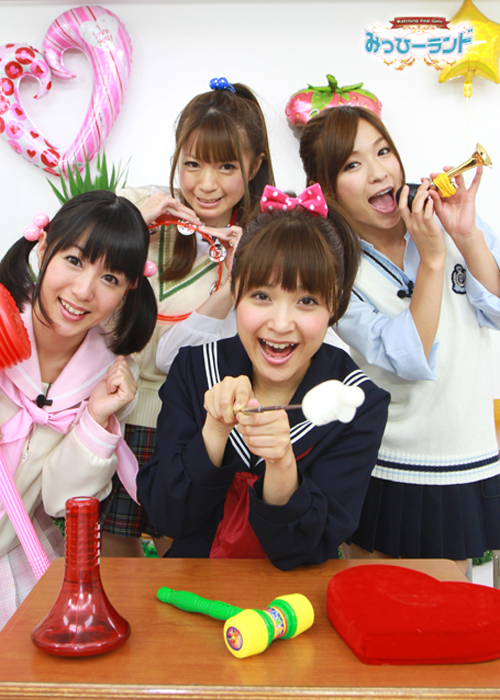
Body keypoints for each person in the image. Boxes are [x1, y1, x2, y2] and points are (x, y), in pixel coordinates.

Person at [137, 186, 390, 570]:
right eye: (261, 296)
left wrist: (282, 463)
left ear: (335, 302)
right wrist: (214, 431)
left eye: (307, 301)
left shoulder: (356, 402)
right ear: (236, 290)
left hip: (295, 599)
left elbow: (308, 547)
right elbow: (167, 517)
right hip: (193, 590)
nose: (281, 323)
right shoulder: (195, 370)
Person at [299, 105, 500, 568]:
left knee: (455, 605)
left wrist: (466, 236)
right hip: (390, 464)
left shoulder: (444, 219)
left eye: (383, 151)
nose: (378, 172)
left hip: (468, 453)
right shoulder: (336, 270)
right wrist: (432, 261)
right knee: (379, 603)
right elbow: (409, 356)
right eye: (352, 165)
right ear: (326, 189)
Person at [101, 78, 274, 556]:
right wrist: (132, 224)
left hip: (195, 423)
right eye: (193, 163)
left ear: (255, 166)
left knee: (182, 553)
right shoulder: (140, 206)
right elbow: (65, 266)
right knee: (115, 553)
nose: (206, 184)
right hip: (116, 414)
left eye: (226, 166)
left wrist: (238, 281)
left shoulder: (262, 243)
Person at [0, 190, 157, 628]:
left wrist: (96, 419)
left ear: (128, 290)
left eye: (110, 278)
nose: (83, 290)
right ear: (43, 248)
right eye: (73, 260)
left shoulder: (108, 376)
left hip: (15, 557)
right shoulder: (1, 321)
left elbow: (59, 500)